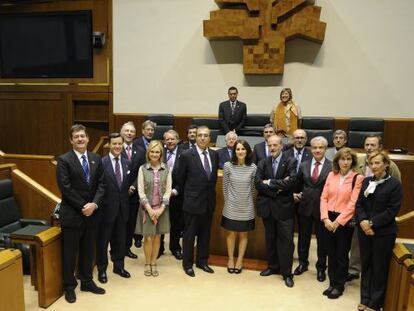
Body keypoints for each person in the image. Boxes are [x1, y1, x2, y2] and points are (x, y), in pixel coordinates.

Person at [56, 124, 106, 303]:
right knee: (70, 253)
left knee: (88, 250)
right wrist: (84, 205)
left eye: (82, 136)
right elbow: (65, 188)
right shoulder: (64, 160)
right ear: (71, 140)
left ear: (88, 138)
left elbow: (102, 184)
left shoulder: (96, 158)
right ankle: (69, 286)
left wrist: (94, 204)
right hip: (73, 214)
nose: (80, 139)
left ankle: (86, 281)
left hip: (92, 214)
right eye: (76, 136)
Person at [348, 134, 402, 281]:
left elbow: (396, 189)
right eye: (367, 145)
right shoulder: (358, 161)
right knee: (357, 241)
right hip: (361, 210)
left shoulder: (391, 166)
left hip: (380, 213)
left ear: (380, 147)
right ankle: (353, 269)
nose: (369, 148)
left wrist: (373, 221)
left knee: (376, 250)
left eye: (373, 145)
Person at [355, 151, 403, 311]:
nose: (374, 166)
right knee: (366, 265)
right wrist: (362, 221)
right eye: (371, 163)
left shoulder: (395, 185)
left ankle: (375, 304)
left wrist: (371, 223)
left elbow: (392, 210)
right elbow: (359, 204)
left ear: (386, 164)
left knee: (379, 268)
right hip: (363, 231)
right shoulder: (366, 181)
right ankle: (365, 299)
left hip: (383, 233)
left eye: (377, 163)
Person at [320, 147, 364, 299]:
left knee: (341, 254)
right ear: (337, 161)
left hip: (344, 220)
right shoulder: (331, 175)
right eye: (342, 159)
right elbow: (323, 197)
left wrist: (337, 222)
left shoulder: (357, 178)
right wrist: (325, 218)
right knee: (330, 253)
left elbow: (353, 203)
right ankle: (332, 283)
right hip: (328, 217)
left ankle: (339, 285)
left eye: (348, 159)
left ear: (352, 161)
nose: (345, 162)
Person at [255, 135, 297, 288]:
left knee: (286, 242)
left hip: (284, 209)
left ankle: (287, 273)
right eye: (270, 145)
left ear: (281, 146)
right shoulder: (262, 162)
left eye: (275, 145)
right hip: (268, 208)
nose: (272, 148)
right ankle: (273, 267)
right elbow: (258, 184)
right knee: (270, 239)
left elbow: (291, 182)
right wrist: (277, 188)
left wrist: (270, 182)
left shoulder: (291, 161)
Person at [177, 126, 219, 277]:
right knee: (189, 235)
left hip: (208, 202)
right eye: (200, 135)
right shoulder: (187, 155)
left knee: (205, 234)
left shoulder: (215, 155)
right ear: (196, 137)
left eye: (206, 135)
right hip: (192, 202)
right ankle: (188, 264)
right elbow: (180, 179)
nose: (202, 138)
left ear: (210, 138)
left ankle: (202, 261)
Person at [293, 136, 331, 282]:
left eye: (320, 147)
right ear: (311, 148)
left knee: (322, 241)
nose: (317, 150)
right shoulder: (303, 164)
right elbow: (298, 184)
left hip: (323, 209)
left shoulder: (332, 165)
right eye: (315, 147)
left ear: (325, 149)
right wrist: (295, 194)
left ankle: (321, 268)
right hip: (305, 207)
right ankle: (303, 263)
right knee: (303, 238)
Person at [96, 133, 131, 284]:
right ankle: (102, 270)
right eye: (114, 144)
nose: (117, 147)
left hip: (122, 209)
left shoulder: (126, 162)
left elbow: (124, 186)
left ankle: (119, 266)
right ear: (109, 145)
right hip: (106, 210)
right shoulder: (101, 163)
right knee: (103, 242)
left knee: (120, 241)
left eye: (119, 144)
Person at [135, 140, 172, 277]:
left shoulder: (166, 169)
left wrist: (161, 208)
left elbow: (168, 190)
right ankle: (147, 263)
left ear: (161, 153)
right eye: (152, 152)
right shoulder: (142, 169)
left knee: (157, 237)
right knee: (148, 238)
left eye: (157, 152)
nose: (155, 154)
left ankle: (154, 262)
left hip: (161, 209)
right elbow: (140, 191)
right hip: (147, 209)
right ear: (148, 153)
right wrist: (150, 210)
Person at [221, 140, 257, 274]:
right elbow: (225, 187)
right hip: (231, 206)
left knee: (243, 234)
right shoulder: (227, 166)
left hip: (247, 206)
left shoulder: (253, 167)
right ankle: (230, 259)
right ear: (234, 151)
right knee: (231, 233)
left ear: (247, 151)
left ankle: (240, 260)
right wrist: (229, 202)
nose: (240, 151)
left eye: (243, 149)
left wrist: (247, 202)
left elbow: (253, 189)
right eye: (237, 149)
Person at [158, 130, 185, 260]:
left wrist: (174, 191)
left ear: (178, 140)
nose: (170, 141)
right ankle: (159, 248)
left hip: (177, 194)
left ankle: (175, 247)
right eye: (167, 139)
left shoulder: (184, 154)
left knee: (175, 223)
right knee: (159, 222)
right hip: (159, 195)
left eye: (172, 139)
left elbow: (186, 176)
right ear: (164, 141)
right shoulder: (159, 153)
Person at [120, 121, 145, 258]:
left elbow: (141, 171)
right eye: (127, 131)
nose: (129, 133)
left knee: (130, 223)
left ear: (135, 134)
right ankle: (117, 249)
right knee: (119, 222)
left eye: (132, 131)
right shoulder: (116, 148)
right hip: (119, 192)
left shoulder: (141, 150)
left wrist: (133, 186)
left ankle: (127, 248)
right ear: (122, 133)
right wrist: (124, 187)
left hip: (134, 193)